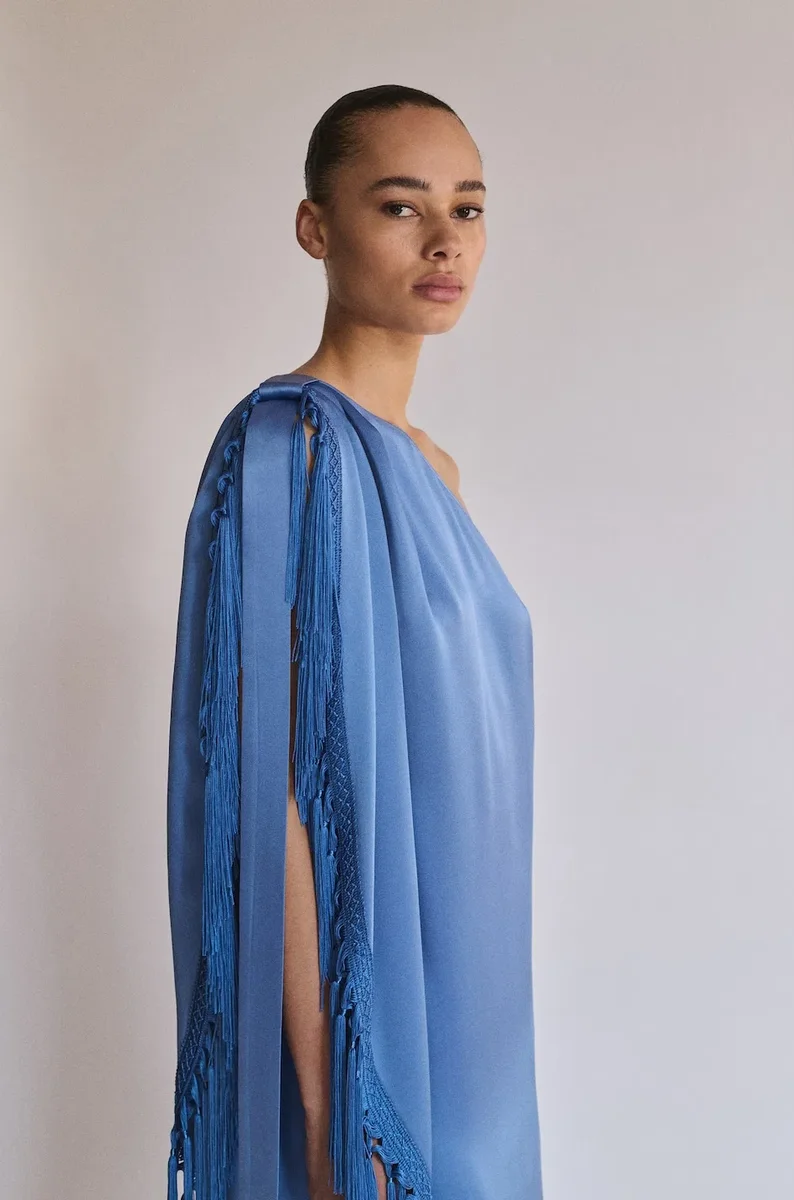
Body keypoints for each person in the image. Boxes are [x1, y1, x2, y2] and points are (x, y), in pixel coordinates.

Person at [166, 84, 543, 1200]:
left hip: (479, 1021)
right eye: (400, 206)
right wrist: (342, 1109)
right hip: (371, 1045)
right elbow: (270, 796)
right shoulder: (285, 449)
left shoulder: (433, 470)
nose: (445, 241)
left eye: (468, 209)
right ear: (314, 227)